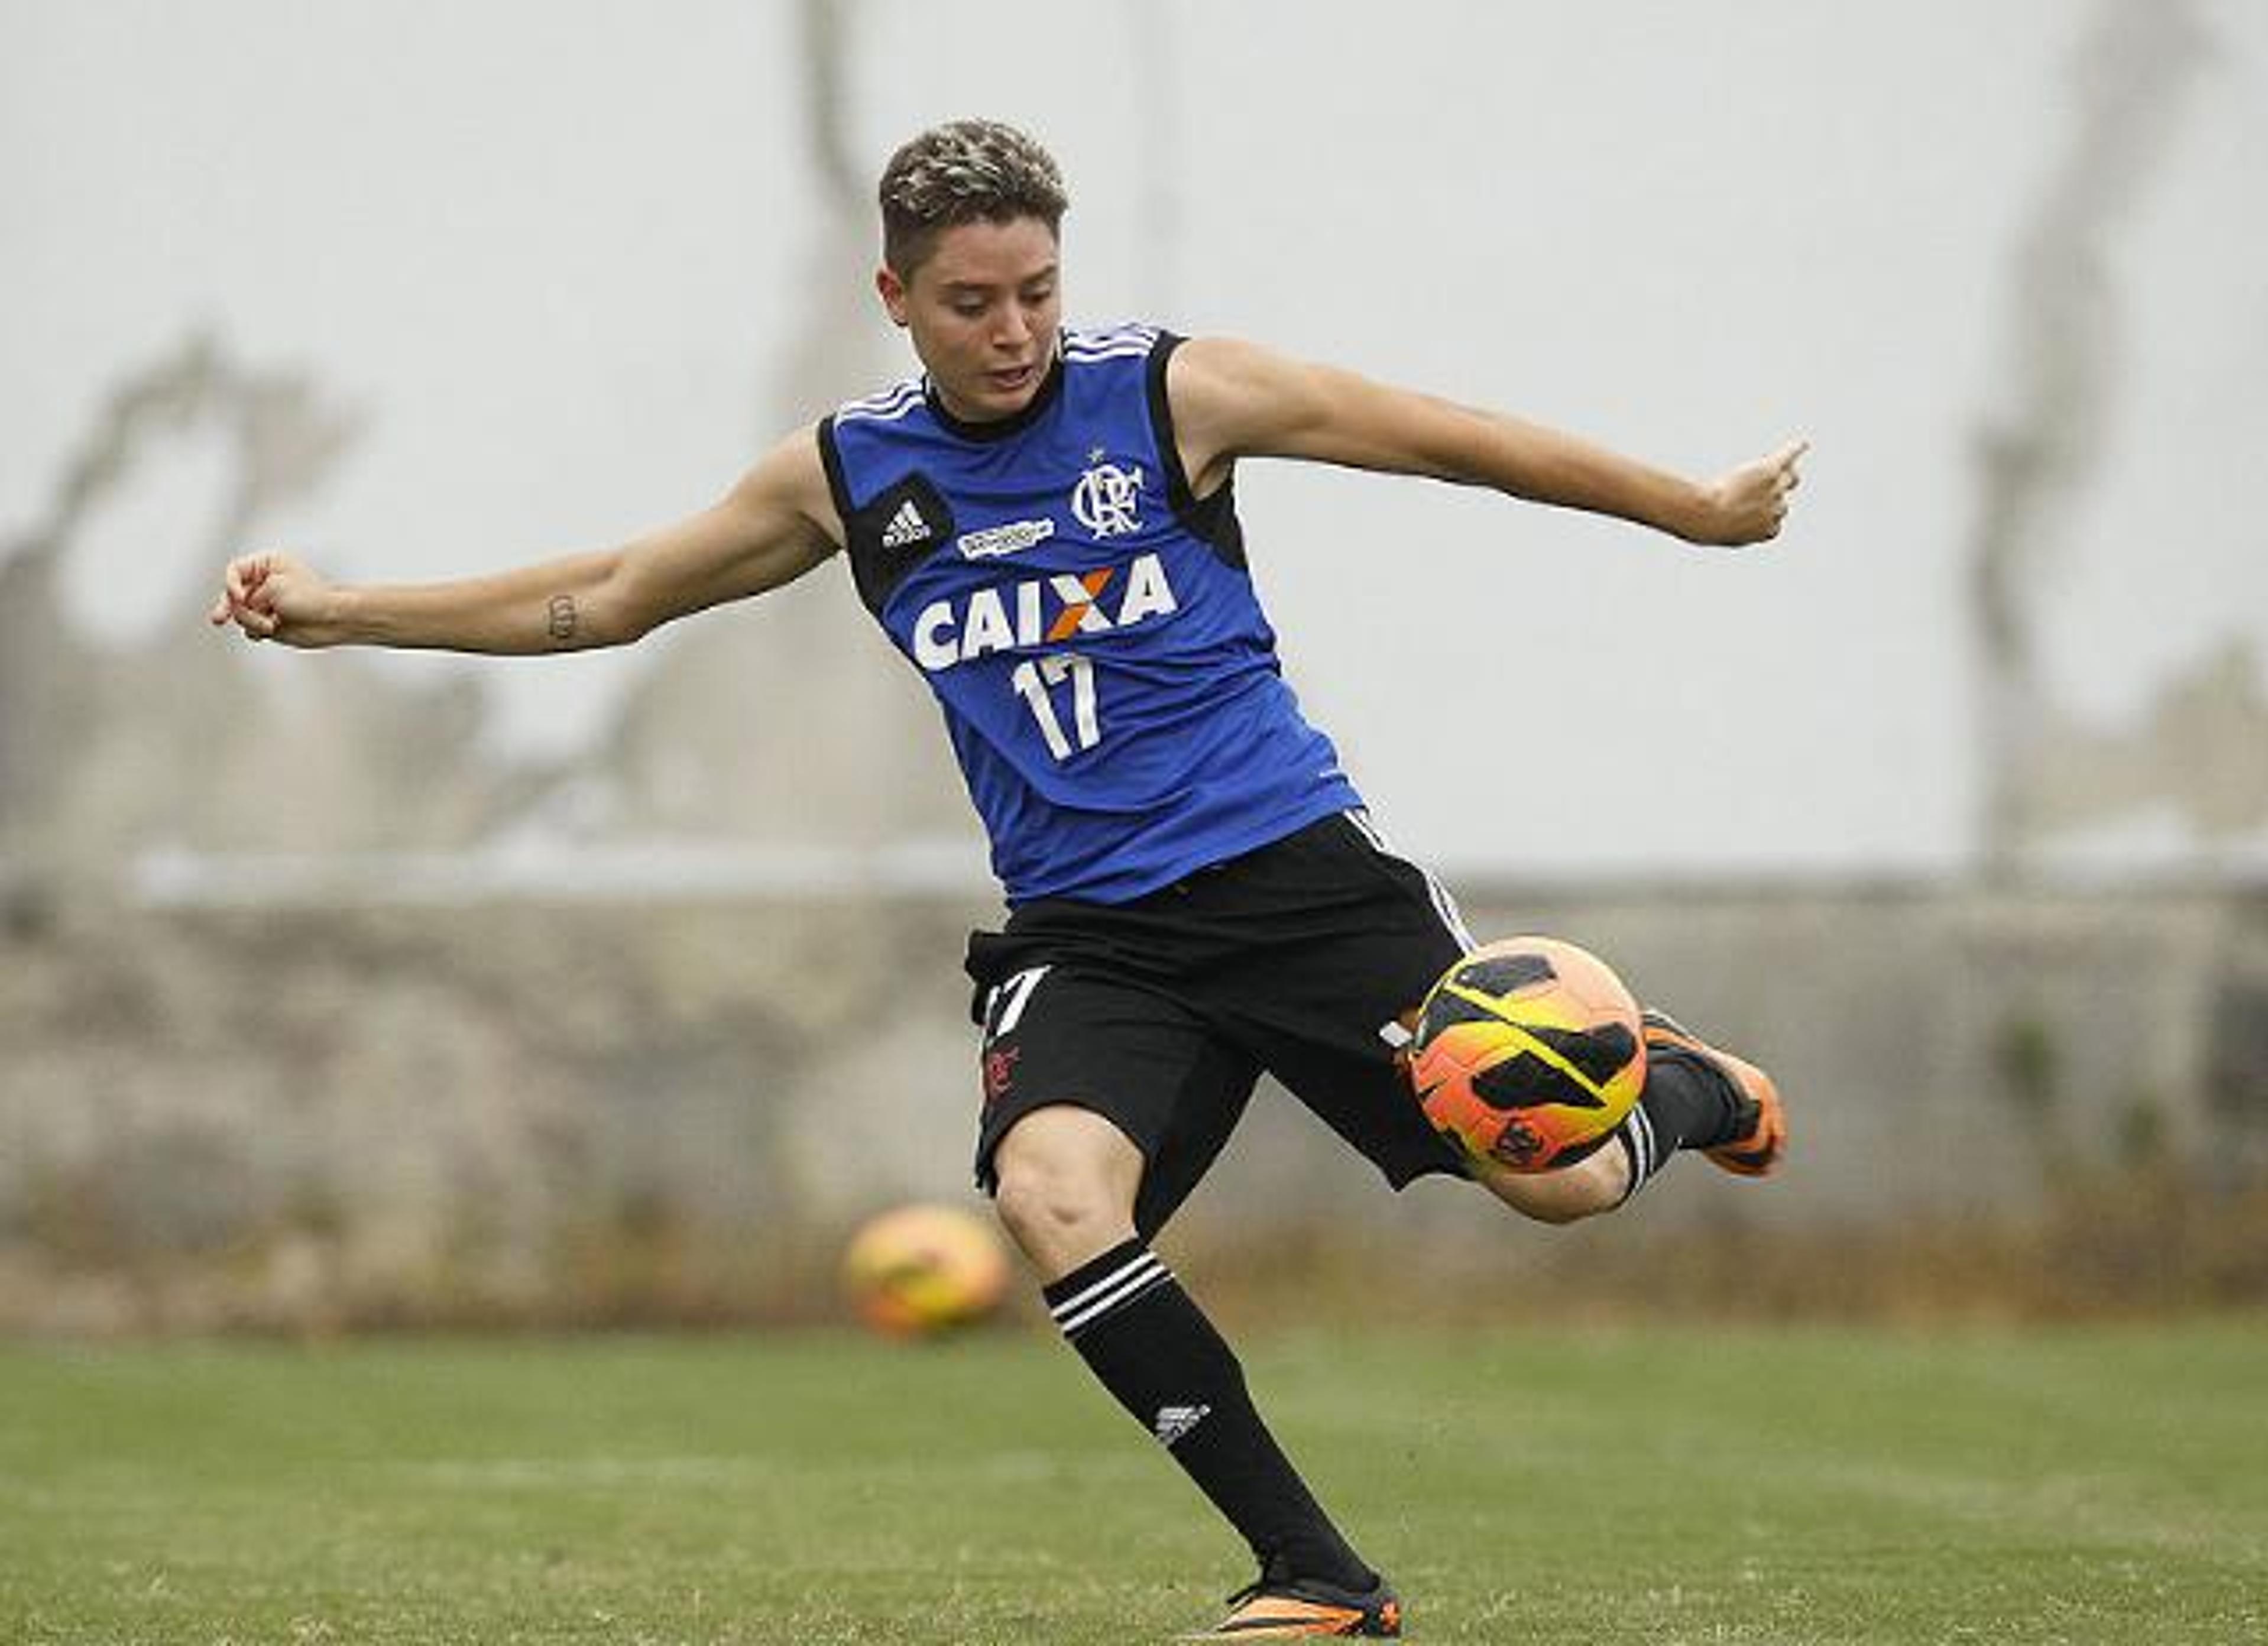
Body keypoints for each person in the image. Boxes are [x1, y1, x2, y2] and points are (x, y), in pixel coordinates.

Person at [211, 118, 1802, 1639]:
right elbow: (613, 594)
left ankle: (1681, 1089)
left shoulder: (1177, 396)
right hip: (1090, 932)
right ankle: (1316, 1576)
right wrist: (346, 612)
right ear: (894, 297)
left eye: (1039, 290)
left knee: (1560, 1185)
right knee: (1051, 1197)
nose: (1016, 330)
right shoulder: (848, 478)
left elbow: (1464, 446)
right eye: (973, 302)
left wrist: (1698, 509)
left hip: (1293, 878)